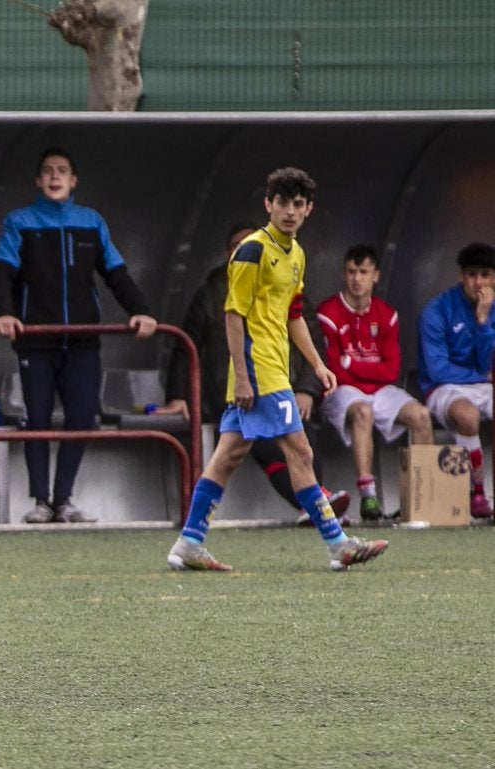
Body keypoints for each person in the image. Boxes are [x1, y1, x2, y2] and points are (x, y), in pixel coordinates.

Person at [165, 167, 388, 572]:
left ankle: (189, 541)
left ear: (308, 210)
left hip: (274, 369)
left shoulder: (296, 254)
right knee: (300, 451)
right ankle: (337, 542)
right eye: (282, 203)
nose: (289, 211)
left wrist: (318, 364)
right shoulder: (252, 250)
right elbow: (233, 314)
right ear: (268, 205)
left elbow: (294, 316)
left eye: (297, 204)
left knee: (229, 455)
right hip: (260, 371)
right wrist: (245, 376)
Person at [0, 147, 157, 524]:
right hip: (36, 340)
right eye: (47, 170)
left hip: (82, 342)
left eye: (62, 170)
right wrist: (5, 313)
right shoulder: (21, 221)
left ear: (73, 180)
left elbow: (116, 273)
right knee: (38, 419)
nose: (55, 176)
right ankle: (40, 501)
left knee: (82, 416)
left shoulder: (91, 221)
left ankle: (63, 500)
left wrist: (141, 311)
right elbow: (1, 271)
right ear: (38, 180)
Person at [156, 223, 352, 524]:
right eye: (238, 246)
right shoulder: (212, 292)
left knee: (238, 455)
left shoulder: (286, 268)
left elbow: (302, 323)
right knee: (292, 449)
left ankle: (190, 540)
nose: (245, 251)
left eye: (249, 244)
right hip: (244, 383)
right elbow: (190, 345)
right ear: (228, 254)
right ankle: (322, 515)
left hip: (276, 378)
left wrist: (310, 383)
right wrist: (179, 395)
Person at [316, 244, 434, 521]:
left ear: (376, 276)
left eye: (363, 272)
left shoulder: (386, 314)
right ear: (344, 275)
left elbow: (391, 371)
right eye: (351, 272)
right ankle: (368, 497)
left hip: (379, 389)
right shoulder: (328, 313)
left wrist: (351, 364)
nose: (357, 279)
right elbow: (333, 370)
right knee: (362, 411)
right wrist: (364, 368)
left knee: (421, 415)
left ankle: (419, 502)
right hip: (340, 392)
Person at [416, 242, 495, 519]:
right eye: (472, 274)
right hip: (444, 387)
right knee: (467, 415)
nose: (479, 282)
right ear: (461, 276)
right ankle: (477, 491)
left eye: (485, 275)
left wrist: (483, 322)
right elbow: (438, 370)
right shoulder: (437, 310)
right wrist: (482, 377)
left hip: (483, 384)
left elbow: (489, 363)